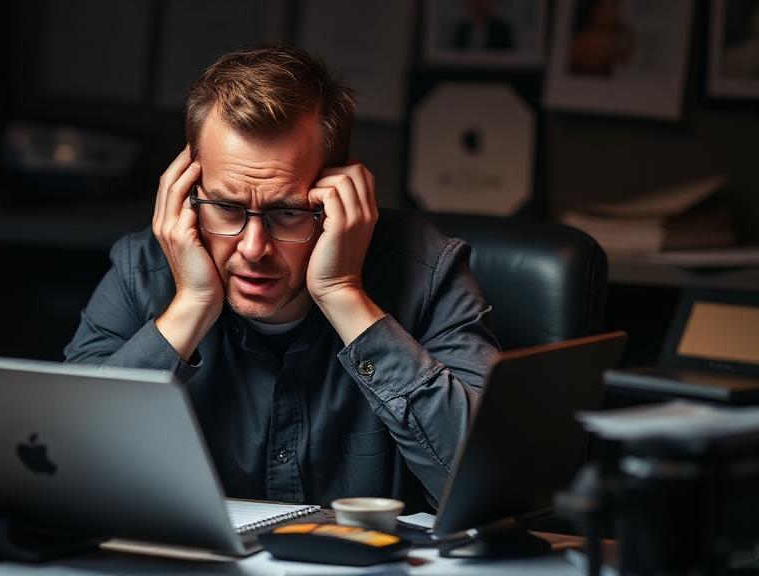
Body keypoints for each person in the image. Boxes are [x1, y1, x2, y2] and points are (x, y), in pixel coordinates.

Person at [64, 46, 500, 511]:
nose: (253, 248)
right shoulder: (140, 272)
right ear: (187, 190)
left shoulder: (427, 270)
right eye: (227, 207)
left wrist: (343, 294)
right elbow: (61, 463)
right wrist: (190, 306)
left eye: (288, 212)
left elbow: (488, 485)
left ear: (339, 195)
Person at [451, 0, 515, 51]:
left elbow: (508, 55)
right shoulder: (461, 28)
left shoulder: (502, 29)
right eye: (475, 1)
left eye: (482, 1)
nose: (478, 4)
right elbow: (455, 52)